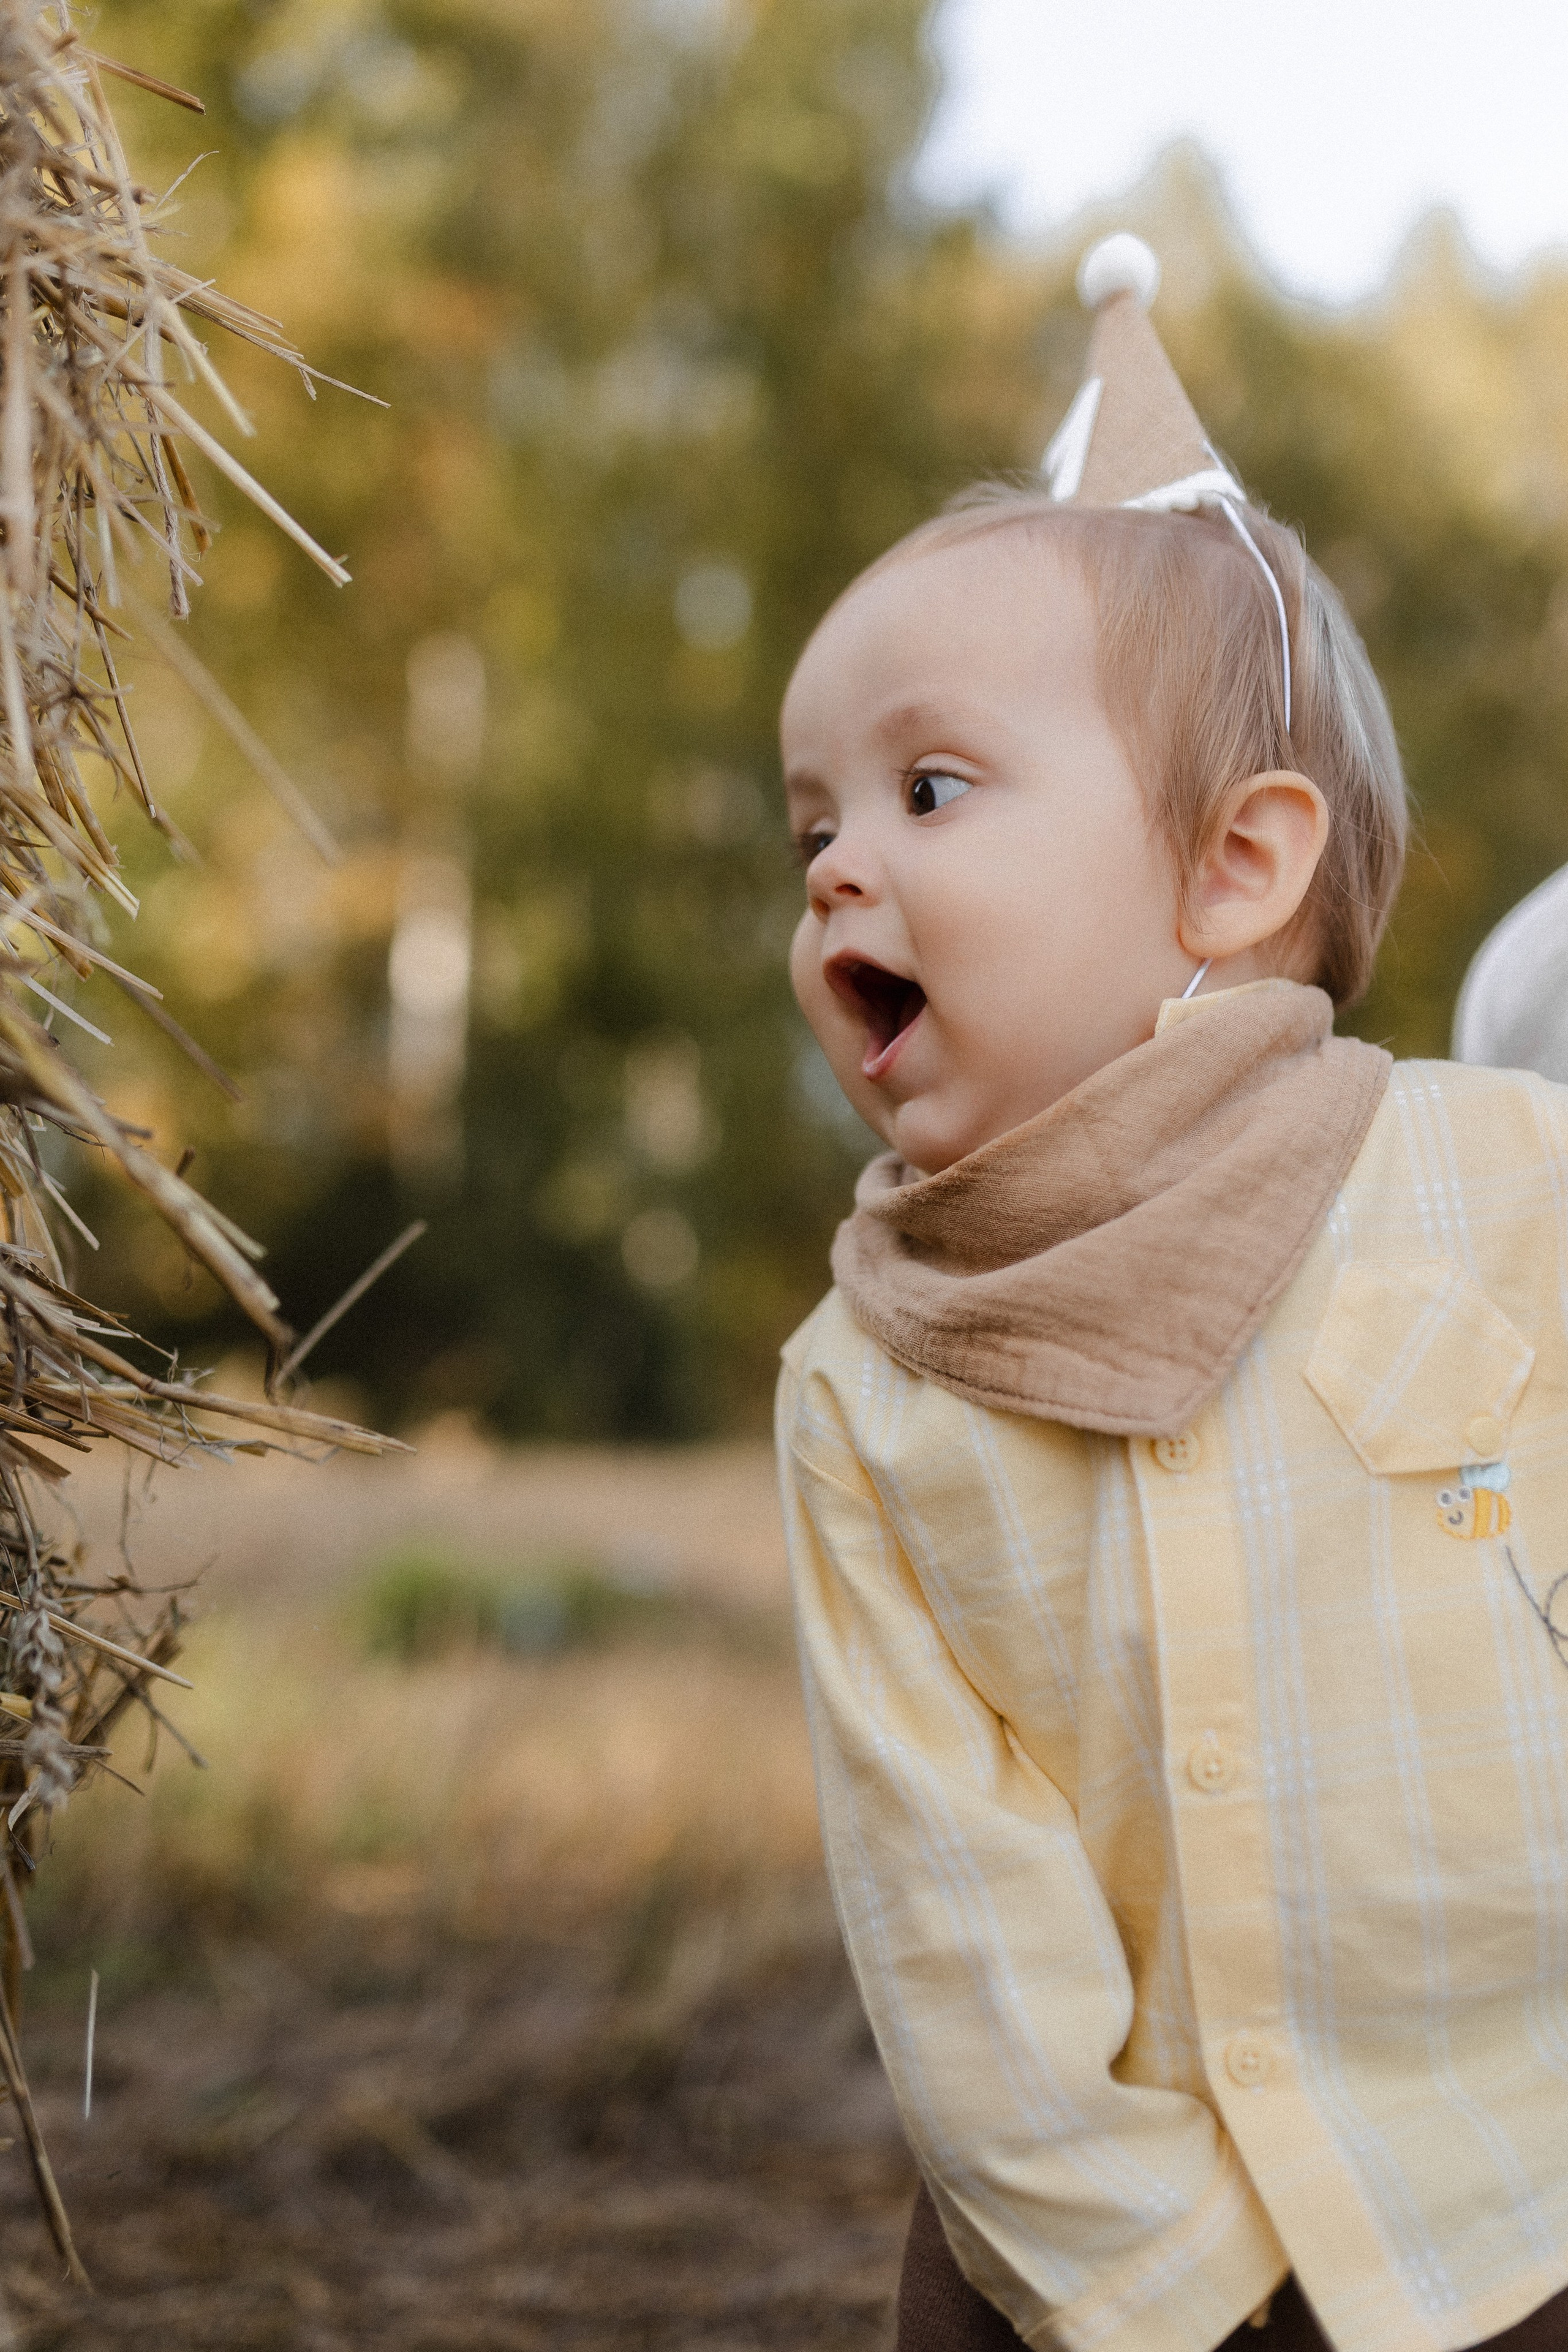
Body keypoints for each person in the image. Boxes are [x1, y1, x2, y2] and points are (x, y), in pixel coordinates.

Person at [773, 234, 1568, 2352]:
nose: (843, 862)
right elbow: (948, 1898)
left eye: (930, 789)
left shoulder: (1506, 1191)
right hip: (1104, 2243)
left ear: (1234, 871)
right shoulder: (868, 1385)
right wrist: (1146, 2283)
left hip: (1520, 2176)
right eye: (815, 825)